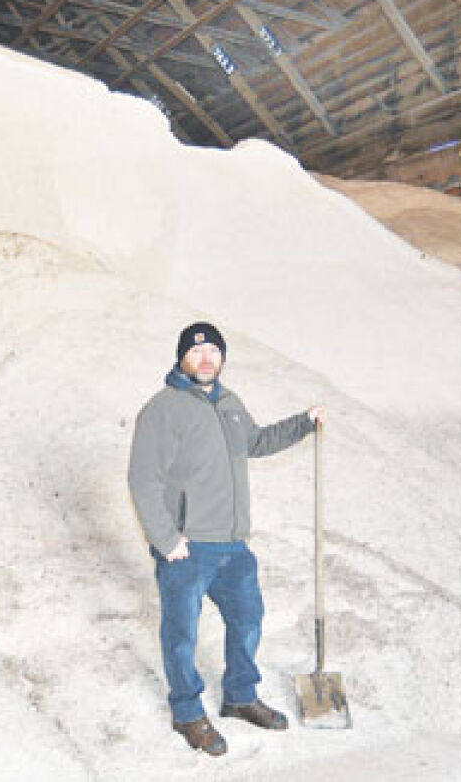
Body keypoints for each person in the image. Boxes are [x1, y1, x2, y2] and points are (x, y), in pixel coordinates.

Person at [128, 321, 325, 757]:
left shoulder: (230, 403)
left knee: (249, 619)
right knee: (181, 634)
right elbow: (143, 479)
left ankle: (239, 696)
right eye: (196, 352)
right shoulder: (162, 409)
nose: (205, 358)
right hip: (188, 547)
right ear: (181, 357)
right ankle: (187, 713)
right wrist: (166, 540)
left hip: (233, 546)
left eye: (213, 351)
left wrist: (303, 424)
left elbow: (255, 441)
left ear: (221, 358)